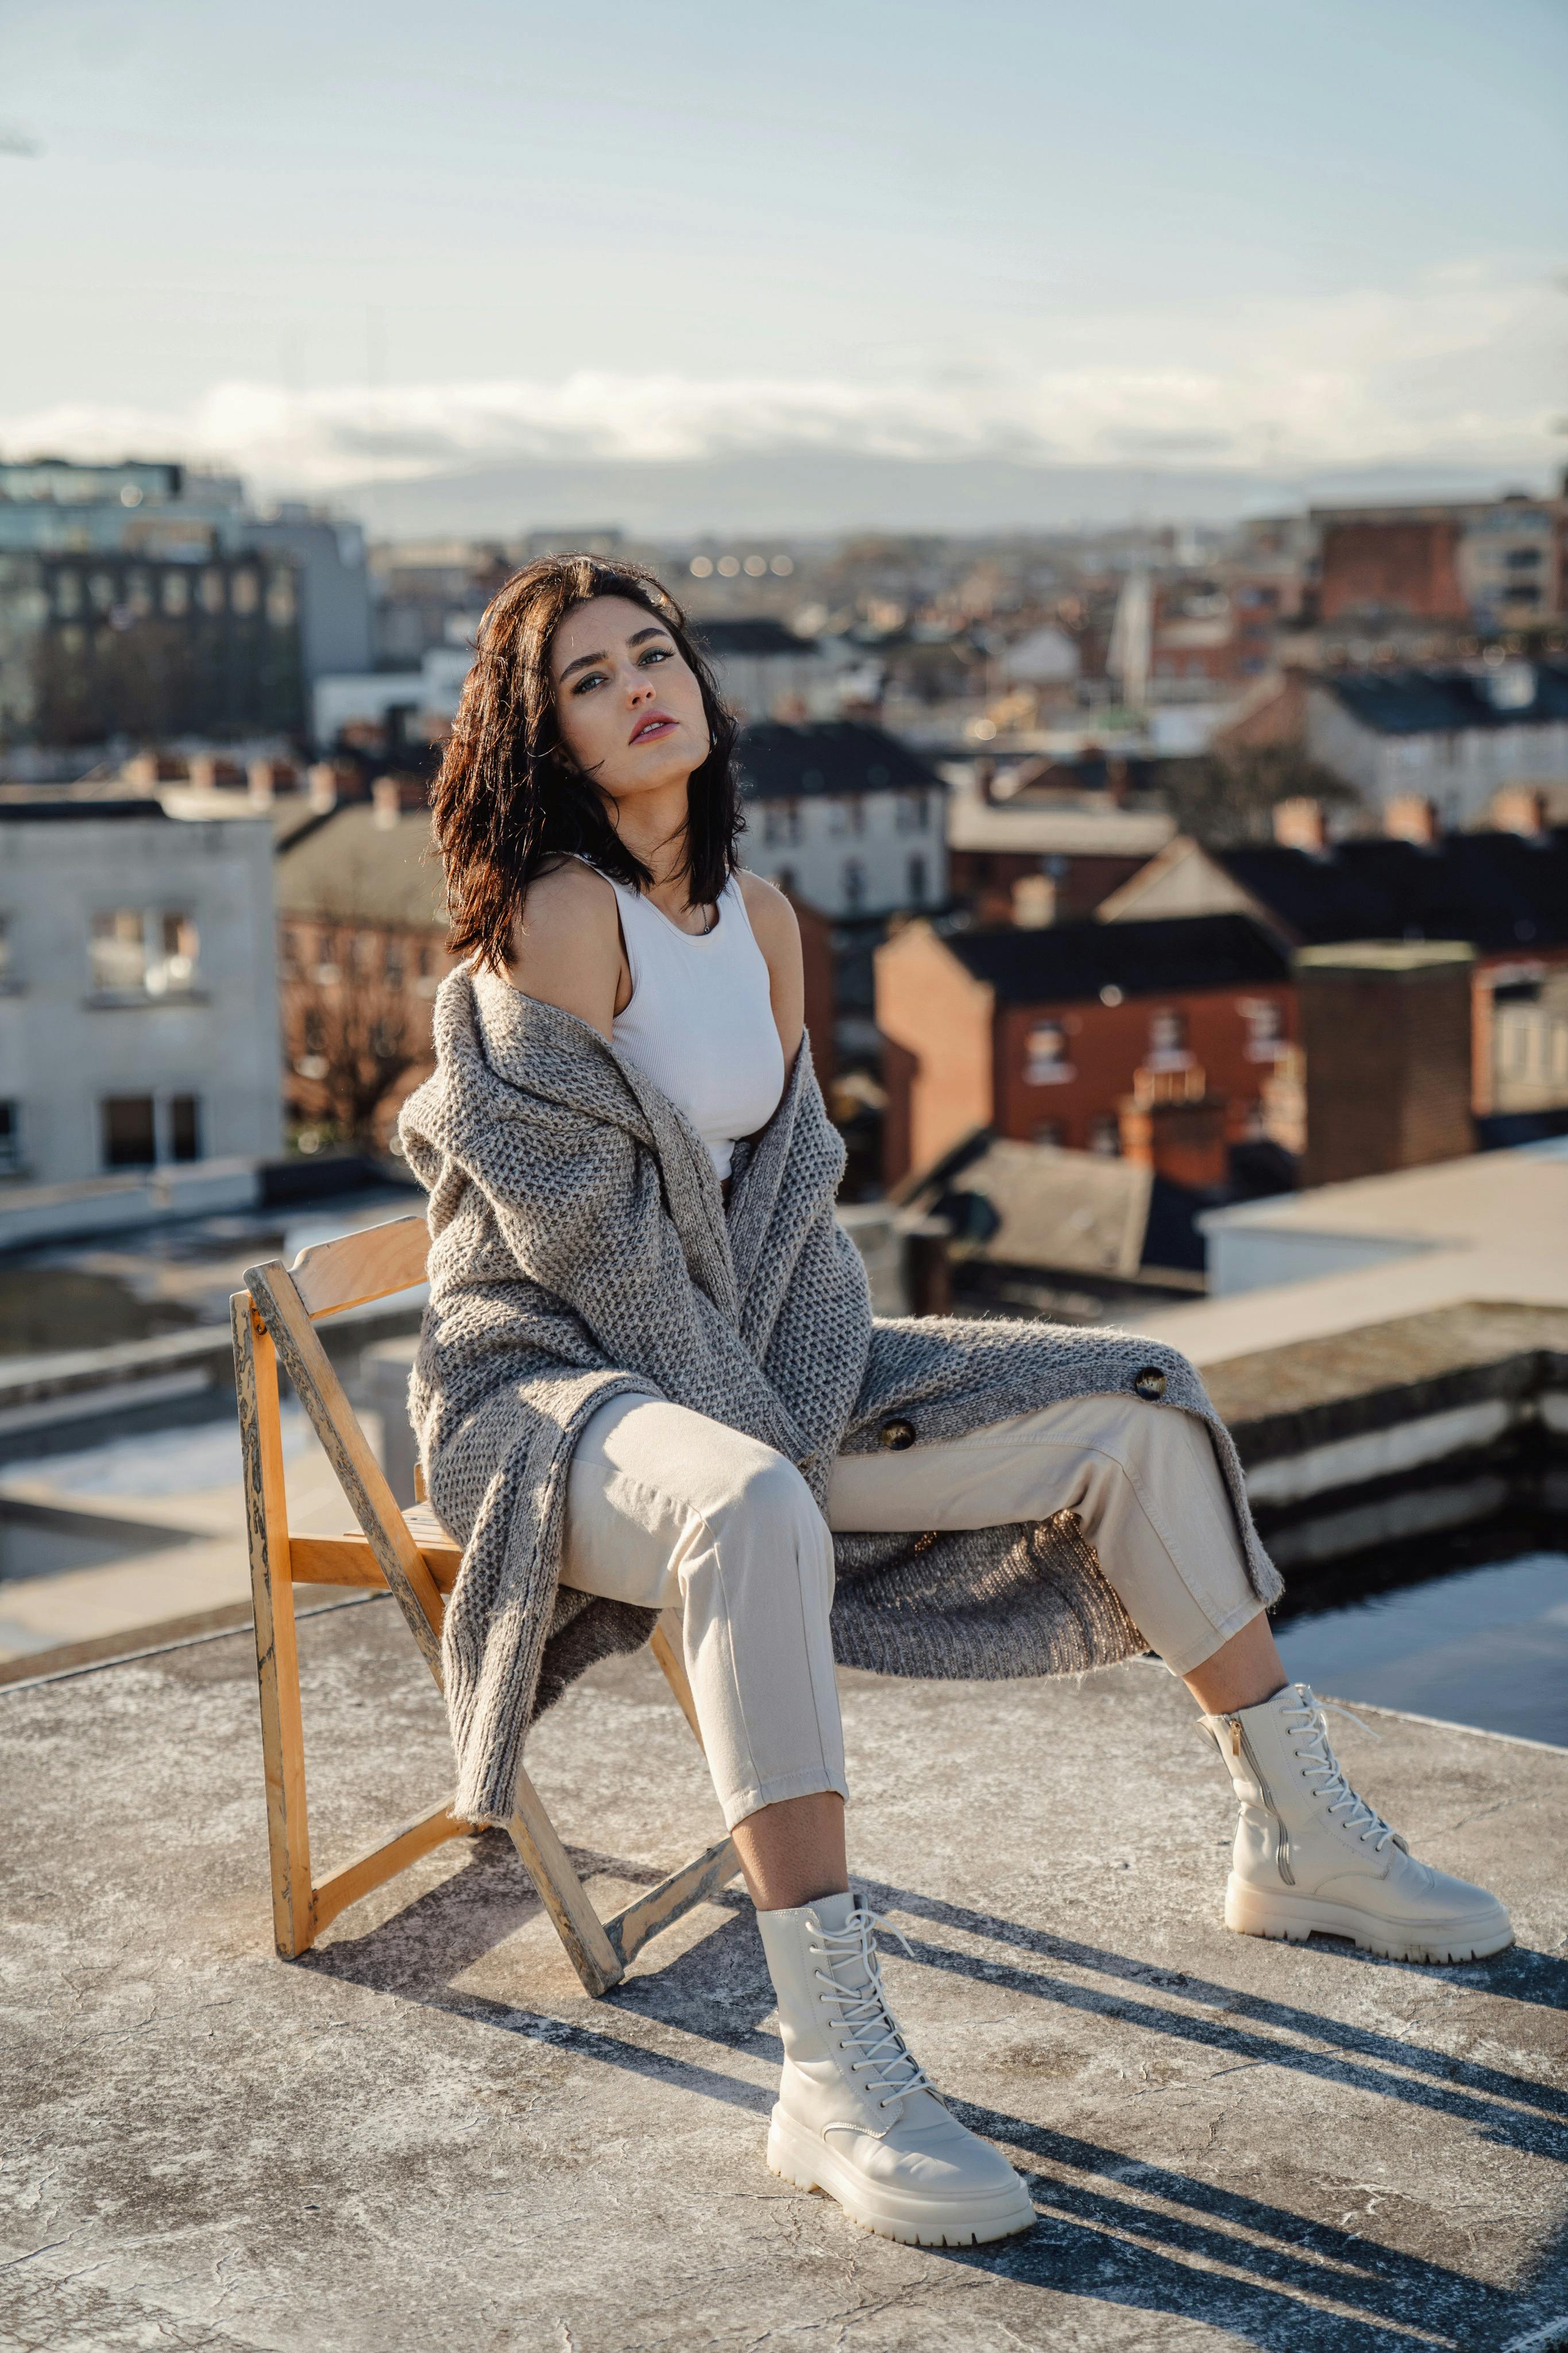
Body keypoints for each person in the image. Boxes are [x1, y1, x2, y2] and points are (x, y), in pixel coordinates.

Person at [399, 554, 1511, 2252]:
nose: (639, 687)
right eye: (585, 678)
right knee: (757, 1505)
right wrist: (788, 1442)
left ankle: (1299, 1836)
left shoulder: (765, 923)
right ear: (535, 735)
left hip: (753, 1364)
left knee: (1139, 1401)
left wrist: (838, 1395)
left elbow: (785, 1225)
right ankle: (830, 2067)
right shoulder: (559, 920)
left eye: (654, 652)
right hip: (548, 1389)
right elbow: (595, 1252)